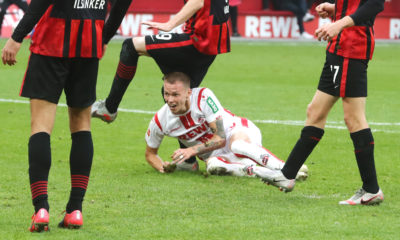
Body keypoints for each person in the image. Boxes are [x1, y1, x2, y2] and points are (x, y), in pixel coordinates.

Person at [1, 0, 132, 232]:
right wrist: (103, 38)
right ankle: (75, 210)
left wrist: (17, 36)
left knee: (41, 124)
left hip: (53, 41)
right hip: (89, 44)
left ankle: (41, 208)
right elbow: (123, 3)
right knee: (82, 124)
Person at [261, 0, 385, 206]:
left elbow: (374, 5)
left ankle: (371, 189)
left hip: (352, 49)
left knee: (354, 118)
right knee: (315, 112)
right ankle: (287, 174)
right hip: (338, 48)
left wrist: (338, 24)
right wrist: (335, 10)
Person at [144, 72, 308, 181]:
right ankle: (268, 174)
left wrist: (191, 150)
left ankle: (287, 168)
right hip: (216, 155)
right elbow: (150, 154)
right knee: (214, 165)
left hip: (236, 132)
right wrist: (164, 167)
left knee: (237, 145)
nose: (170, 100)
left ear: (188, 92)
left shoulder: (203, 96)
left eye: (175, 94)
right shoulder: (160, 120)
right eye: (167, 94)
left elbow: (221, 139)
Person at [91, 0, 231, 123]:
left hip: (198, 40)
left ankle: (110, 107)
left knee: (130, 46)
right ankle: (190, 153)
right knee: (175, 95)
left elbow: (197, 1)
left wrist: (170, 24)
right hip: (212, 44)